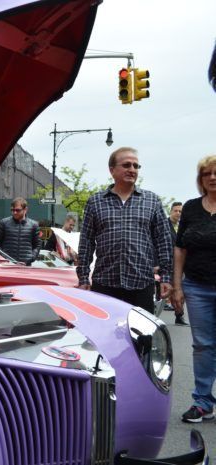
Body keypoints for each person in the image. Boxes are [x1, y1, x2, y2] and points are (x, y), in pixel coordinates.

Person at [77, 147, 173, 313]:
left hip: (141, 283)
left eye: (136, 166)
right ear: (112, 170)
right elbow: (86, 241)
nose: (132, 170)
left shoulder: (151, 201)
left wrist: (166, 277)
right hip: (105, 284)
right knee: (105, 336)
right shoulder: (96, 202)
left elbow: (163, 241)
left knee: (141, 336)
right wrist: (84, 277)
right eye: (127, 165)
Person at [173, 155, 216, 422]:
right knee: (203, 346)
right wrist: (177, 286)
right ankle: (202, 401)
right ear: (200, 179)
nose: (212, 177)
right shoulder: (189, 208)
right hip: (197, 288)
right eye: (206, 174)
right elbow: (180, 248)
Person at [0, 197, 40, 266]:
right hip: (7, 265)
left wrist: (29, 259)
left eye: (18, 210)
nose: (14, 212)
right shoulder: (3, 223)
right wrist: (6, 259)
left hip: (25, 266)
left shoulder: (34, 225)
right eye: (12, 210)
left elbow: (37, 246)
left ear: (25, 210)